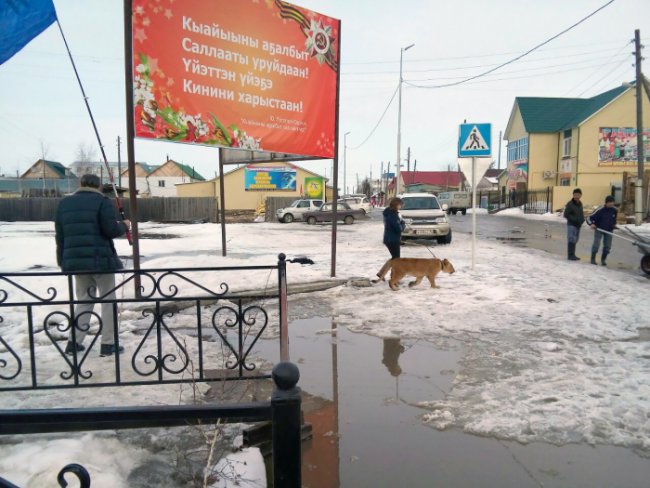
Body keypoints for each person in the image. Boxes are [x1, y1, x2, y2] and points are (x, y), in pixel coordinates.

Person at [55, 174, 131, 357]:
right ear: (98, 187)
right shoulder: (102, 201)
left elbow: (60, 236)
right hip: (101, 261)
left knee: (83, 301)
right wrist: (124, 225)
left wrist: (63, 262)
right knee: (108, 302)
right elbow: (110, 230)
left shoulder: (64, 204)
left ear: (80, 184)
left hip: (76, 262)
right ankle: (108, 344)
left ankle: (74, 343)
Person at [375, 197, 406, 281]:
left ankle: (381, 273)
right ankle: (393, 278)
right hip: (392, 240)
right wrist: (403, 224)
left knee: (394, 258)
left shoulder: (389, 212)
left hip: (389, 239)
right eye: (400, 205)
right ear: (396, 205)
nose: (401, 206)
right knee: (396, 260)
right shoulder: (392, 215)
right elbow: (398, 229)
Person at [587, 195, 618, 266]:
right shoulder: (600, 210)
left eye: (612, 202)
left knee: (607, 247)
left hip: (609, 230)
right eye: (610, 202)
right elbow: (589, 218)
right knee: (596, 244)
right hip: (599, 229)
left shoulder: (614, 210)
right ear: (606, 203)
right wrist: (591, 224)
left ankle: (603, 259)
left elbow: (614, 219)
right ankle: (593, 259)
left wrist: (614, 225)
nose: (611, 204)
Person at [563, 188, 584, 261]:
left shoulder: (580, 204)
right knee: (571, 239)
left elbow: (581, 213)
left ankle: (573, 254)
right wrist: (574, 219)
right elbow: (565, 214)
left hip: (578, 225)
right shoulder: (570, 204)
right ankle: (570, 255)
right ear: (573, 195)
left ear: (580, 195)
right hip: (571, 224)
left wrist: (582, 220)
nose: (576, 196)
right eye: (575, 195)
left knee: (575, 239)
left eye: (578, 195)